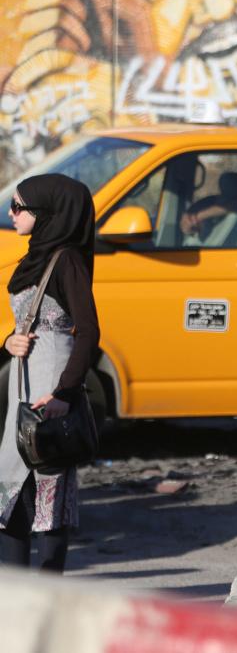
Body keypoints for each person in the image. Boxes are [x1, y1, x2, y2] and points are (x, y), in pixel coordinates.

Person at [0, 174, 100, 571]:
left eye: (18, 206)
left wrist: (64, 394)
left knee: (48, 489)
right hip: (22, 384)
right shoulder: (34, 257)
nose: (11, 213)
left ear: (46, 213)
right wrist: (8, 342)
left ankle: (45, 590)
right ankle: (15, 594)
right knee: (11, 493)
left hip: (50, 387)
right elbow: (26, 321)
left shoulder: (66, 260)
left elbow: (89, 331)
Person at [179, 171, 237, 240]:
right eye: (223, 193)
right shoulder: (219, 223)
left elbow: (232, 206)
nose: (223, 198)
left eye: (227, 192)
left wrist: (197, 217)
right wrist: (189, 219)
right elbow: (213, 201)